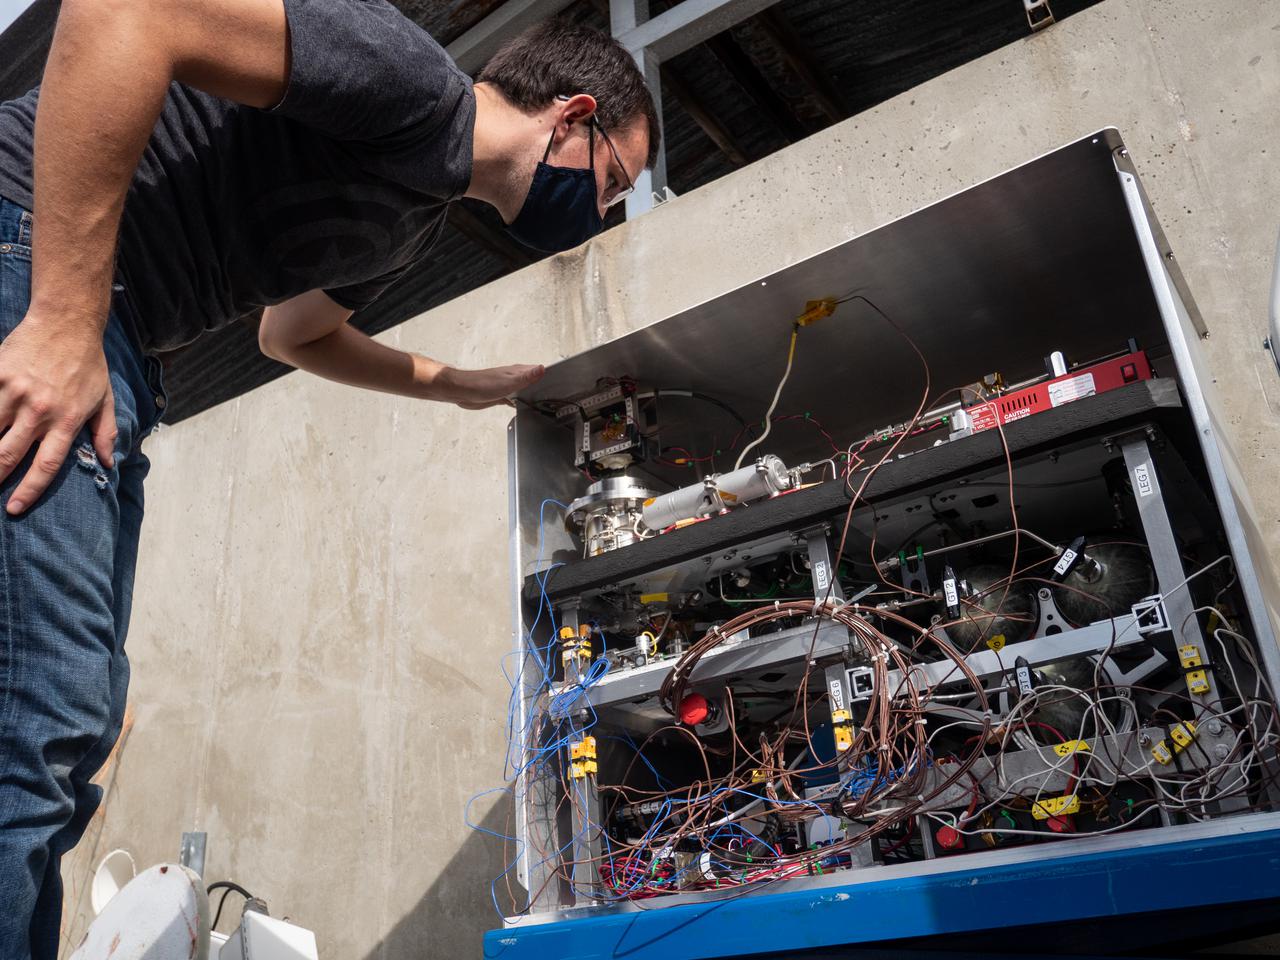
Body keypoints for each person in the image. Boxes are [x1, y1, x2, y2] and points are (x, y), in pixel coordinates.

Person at [0, 0, 659, 953]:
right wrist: (62, 316)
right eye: (613, 182)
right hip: (43, 275)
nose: (603, 210)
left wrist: (458, 386)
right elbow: (125, 12)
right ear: (572, 114)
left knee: (74, 721)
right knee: (38, 722)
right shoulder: (415, 86)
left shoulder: (412, 218)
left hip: (126, 349)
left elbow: (292, 333)